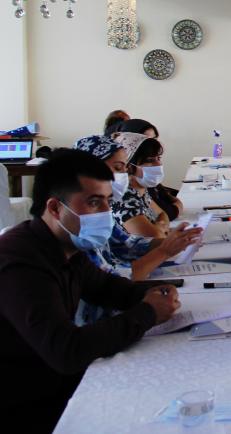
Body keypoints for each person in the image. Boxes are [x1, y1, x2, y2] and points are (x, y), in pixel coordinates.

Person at [0, 149, 178, 432]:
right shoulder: (20, 261)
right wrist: (148, 312)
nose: (106, 212)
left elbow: (105, 288)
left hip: (58, 383)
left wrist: (156, 291)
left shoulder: (66, 245)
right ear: (55, 208)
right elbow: (66, 350)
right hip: (29, 405)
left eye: (108, 201)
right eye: (94, 202)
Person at [72, 135, 202, 284]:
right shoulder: (80, 224)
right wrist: (165, 250)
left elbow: (127, 244)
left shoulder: (104, 208)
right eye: (118, 167)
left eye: (125, 167)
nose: (125, 173)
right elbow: (113, 279)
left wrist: (177, 241)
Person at [110, 117, 182, 221]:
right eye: (145, 138)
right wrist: (177, 205)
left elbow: (163, 215)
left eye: (154, 138)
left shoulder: (143, 189)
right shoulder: (125, 196)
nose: (159, 164)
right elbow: (168, 213)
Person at [111, 133, 172, 238]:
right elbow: (156, 237)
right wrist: (160, 229)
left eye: (158, 158)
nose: (159, 164)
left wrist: (160, 226)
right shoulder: (125, 199)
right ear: (129, 166)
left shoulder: (140, 190)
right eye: (150, 160)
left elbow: (163, 214)